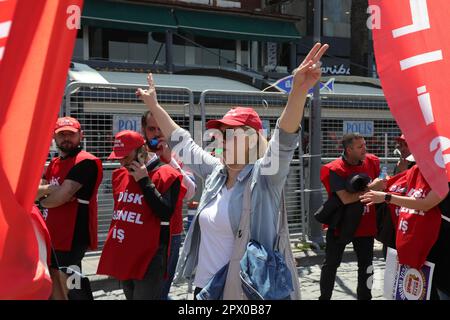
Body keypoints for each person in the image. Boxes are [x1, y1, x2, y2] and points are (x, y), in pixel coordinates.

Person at [136, 43, 329, 299]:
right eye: (221, 133)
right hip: (204, 289)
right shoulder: (217, 172)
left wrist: (298, 91)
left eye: (231, 134)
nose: (222, 139)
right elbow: (182, 142)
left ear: (251, 139)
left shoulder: (265, 177)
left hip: (242, 292)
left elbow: (283, 141)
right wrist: (155, 106)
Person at [96, 130, 187, 300]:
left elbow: (166, 212)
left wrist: (144, 181)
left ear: (142, 150)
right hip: (126, 251)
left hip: (151, 256)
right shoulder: (120, 175)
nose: (122, 162)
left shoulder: (167, 174)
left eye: (126, 157)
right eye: (119, 158)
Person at [361, 164, 450, 300]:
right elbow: (400, 189)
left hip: (444, 247)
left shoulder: (445, 173)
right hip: (429, 247)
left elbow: (426, 203)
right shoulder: (419, 169)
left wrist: (387, 197)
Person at [37, 116, 103, 299]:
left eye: (71, 134)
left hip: (73, 235)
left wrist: (42, 199)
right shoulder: (55, 163)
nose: (66, 138)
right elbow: (37, 192)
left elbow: (61, 196)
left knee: (71, 282)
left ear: (81, 135)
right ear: (55, 137)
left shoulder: (85, 162)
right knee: (55, 277)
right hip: (53, 233)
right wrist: (49, 190)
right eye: (62, 134)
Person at [319, 133, 386, 300]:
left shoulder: (372, 161)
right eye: (360, 147)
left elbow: (383, 184)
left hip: (366, 223)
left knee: (367, 266)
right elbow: (346, 198)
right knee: (331, 264)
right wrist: (371, 188)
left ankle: (366, 297)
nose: (365, 149)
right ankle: (324, 297)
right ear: (349, 150)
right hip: (341, 223)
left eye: (364, 145)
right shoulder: (335, 168)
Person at [140, 111, 197, 299]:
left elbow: (190, 192)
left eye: (160, 128)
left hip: (170, 233)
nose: (156, 133)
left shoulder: (179, 154)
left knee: (161, 288)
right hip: (140, 231)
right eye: (151, 129)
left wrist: (169, 161)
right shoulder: (137, 155)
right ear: (144, 131)